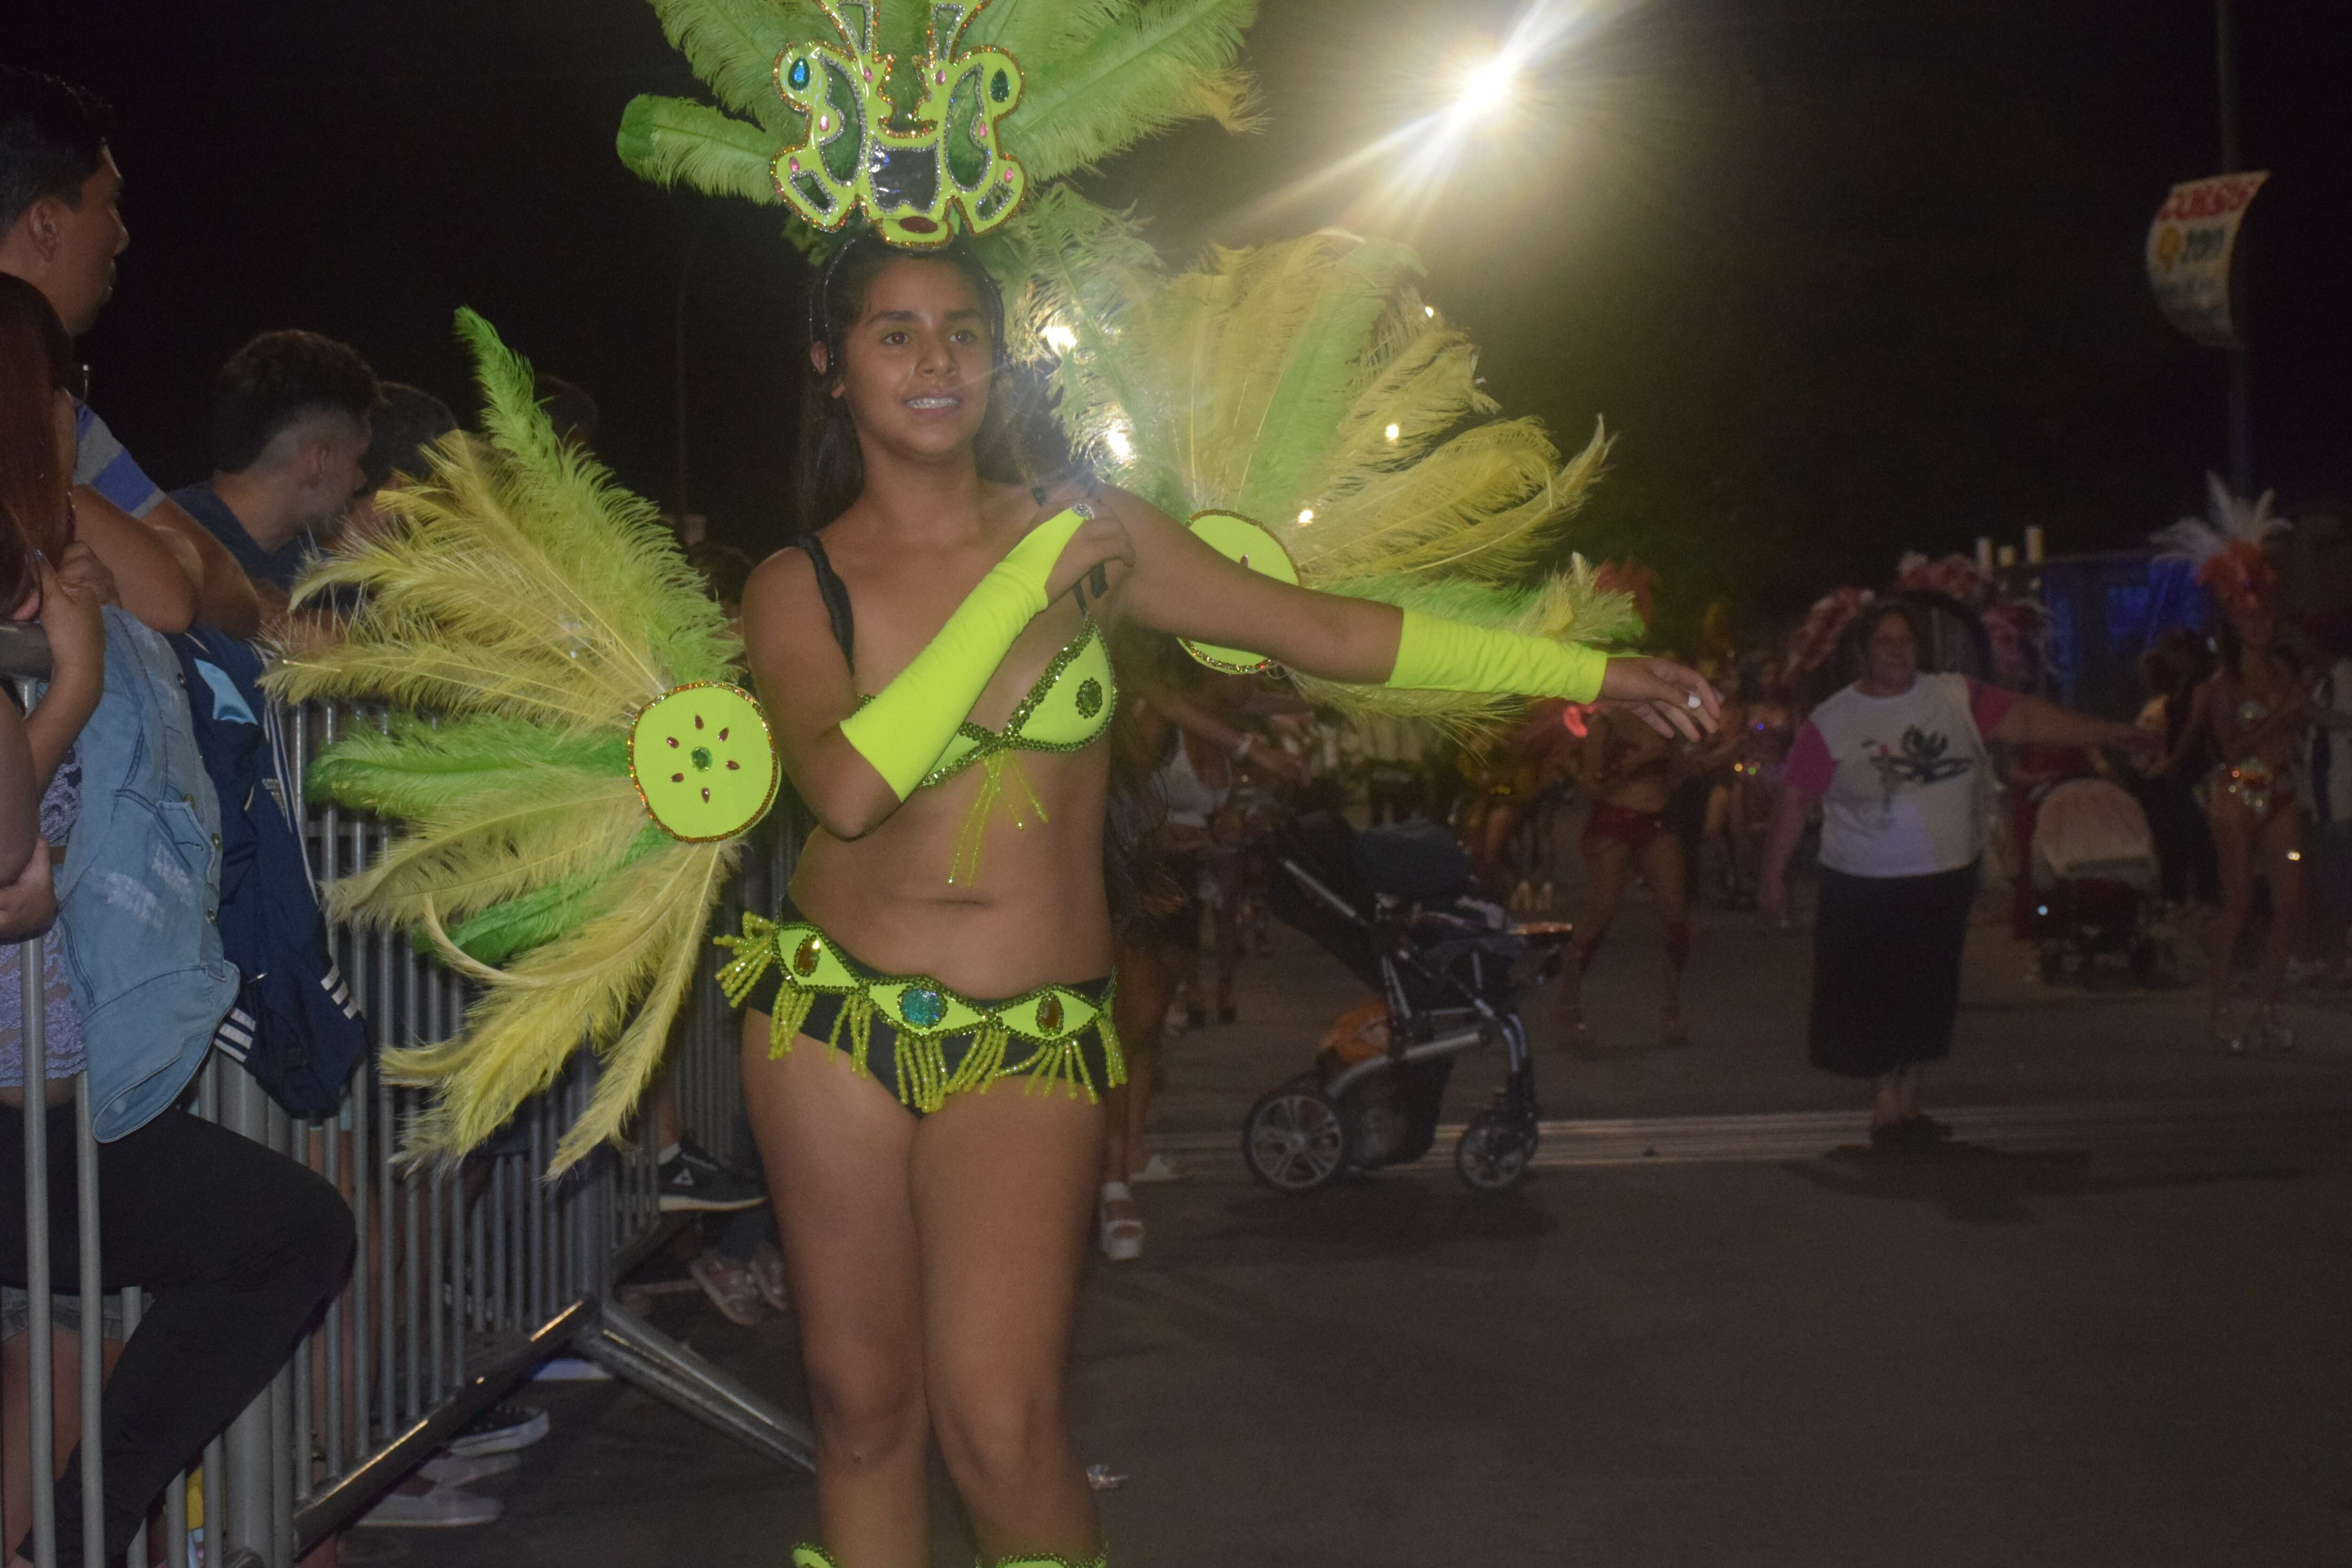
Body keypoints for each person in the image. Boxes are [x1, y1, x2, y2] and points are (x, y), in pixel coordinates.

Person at [717, 229, 1717, 1568]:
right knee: (859, 1409)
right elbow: (843, 789)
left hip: (1026, 1030)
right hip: (831, 1023)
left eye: (963, 328)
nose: (935, 359)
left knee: (1004, 1425)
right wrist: (1023, 587)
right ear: (833, 367)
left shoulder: (1100, 533)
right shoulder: (798, 584)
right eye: (893, 332)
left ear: (1000, 356)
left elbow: (1332, 632)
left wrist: (1581, 668)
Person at [0, 270, 353, 1568]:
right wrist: (78, 668)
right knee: (286, 1235)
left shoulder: (40, 567)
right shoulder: (29, 617)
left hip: (54, 1086)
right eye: (56, 404)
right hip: (27, 1094)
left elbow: (166, 590)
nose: (74, 421)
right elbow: (10, 863)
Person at [1758, 601, 2153, 1147]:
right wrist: (1772, 876)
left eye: (1906, 641)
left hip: (1940, 875)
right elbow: (1796, 798)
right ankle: (1885, 1106)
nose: (1897, 651)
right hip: (1864, 882)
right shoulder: (1834, 720)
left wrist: (2108, 732)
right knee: (1877, 992)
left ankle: (1911, 1104)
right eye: (1885, 642)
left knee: (1927, 990)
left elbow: (2029, 719)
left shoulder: (1953, 697)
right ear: (1863, 654)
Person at [0, 66, 264, 638]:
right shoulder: (44, 417)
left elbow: (230, 592)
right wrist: (166, 553)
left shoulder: (65, 412)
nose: (120, 235)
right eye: (110, 204)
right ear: (46, 225)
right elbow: (172, 598)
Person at [2162, 595, 2312, 1049]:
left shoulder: (2286, 673)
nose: (2261, 623)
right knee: (2240, 904)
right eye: (2249, 616)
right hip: (2237, 795)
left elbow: (2308, 716)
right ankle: (2220, 1010)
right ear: (2233, 625)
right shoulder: (2222, 684)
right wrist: (2283, 715)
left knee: (2289, 904)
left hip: (2281, 792)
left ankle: (2266, 1006)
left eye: (2266, 613)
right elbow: (2229, 749)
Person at [171, 330, 380, 630]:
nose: (360, 481)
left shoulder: (314, 567)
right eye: (358, 460)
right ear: (318, 462)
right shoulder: (161, 544)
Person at [1558, 702, 1736, 1050]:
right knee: (1604, 909)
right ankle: (1567, 1005)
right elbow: (1592, 786)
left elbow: (1685, 770)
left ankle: (1670, 1008)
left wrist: (1725, 754)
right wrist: (1634, 763)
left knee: (1675, 914)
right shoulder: (1605, 723)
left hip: (1657, 819)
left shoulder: (1665, 724)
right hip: (1614, 819)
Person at [2303, 617, 2352, 987]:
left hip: (2340, 793)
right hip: (2324, 796)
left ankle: (2338, 960)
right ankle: (2334, 958)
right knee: (2332, 881)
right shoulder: (2322, 680)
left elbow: (2342, 719)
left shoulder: (2343, 676)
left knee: (2339, 885)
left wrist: (2302, 707)